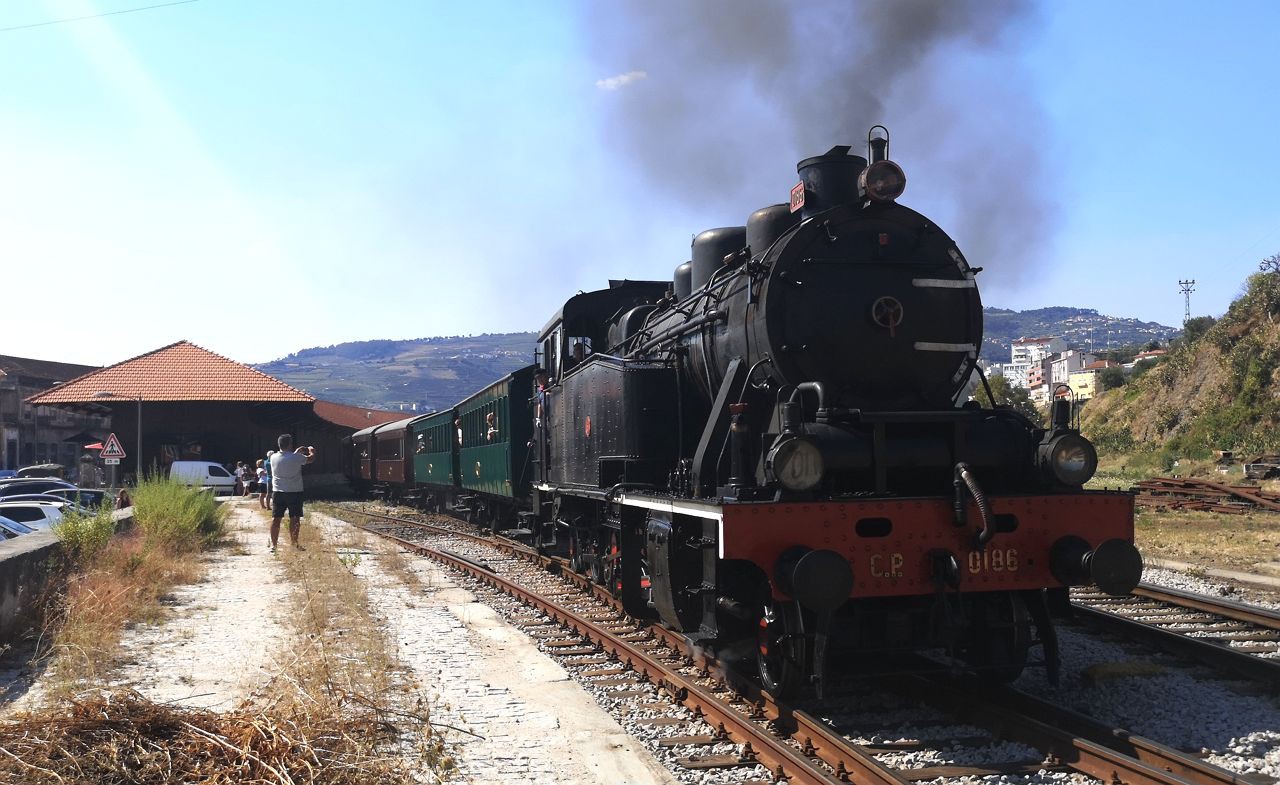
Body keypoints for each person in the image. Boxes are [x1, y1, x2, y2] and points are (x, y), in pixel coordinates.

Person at [269, 435, 315, 552]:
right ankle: (294, 544)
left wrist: (295, 453)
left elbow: (286, 459)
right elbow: (310, 459)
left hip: (278, 492)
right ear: (290, 444)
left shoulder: (273, 457)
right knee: (294, 518)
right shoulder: (297, 457)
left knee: (276, 519)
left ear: (279, 445)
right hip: (294, 491)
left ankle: (274, 546)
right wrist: (311, 451)